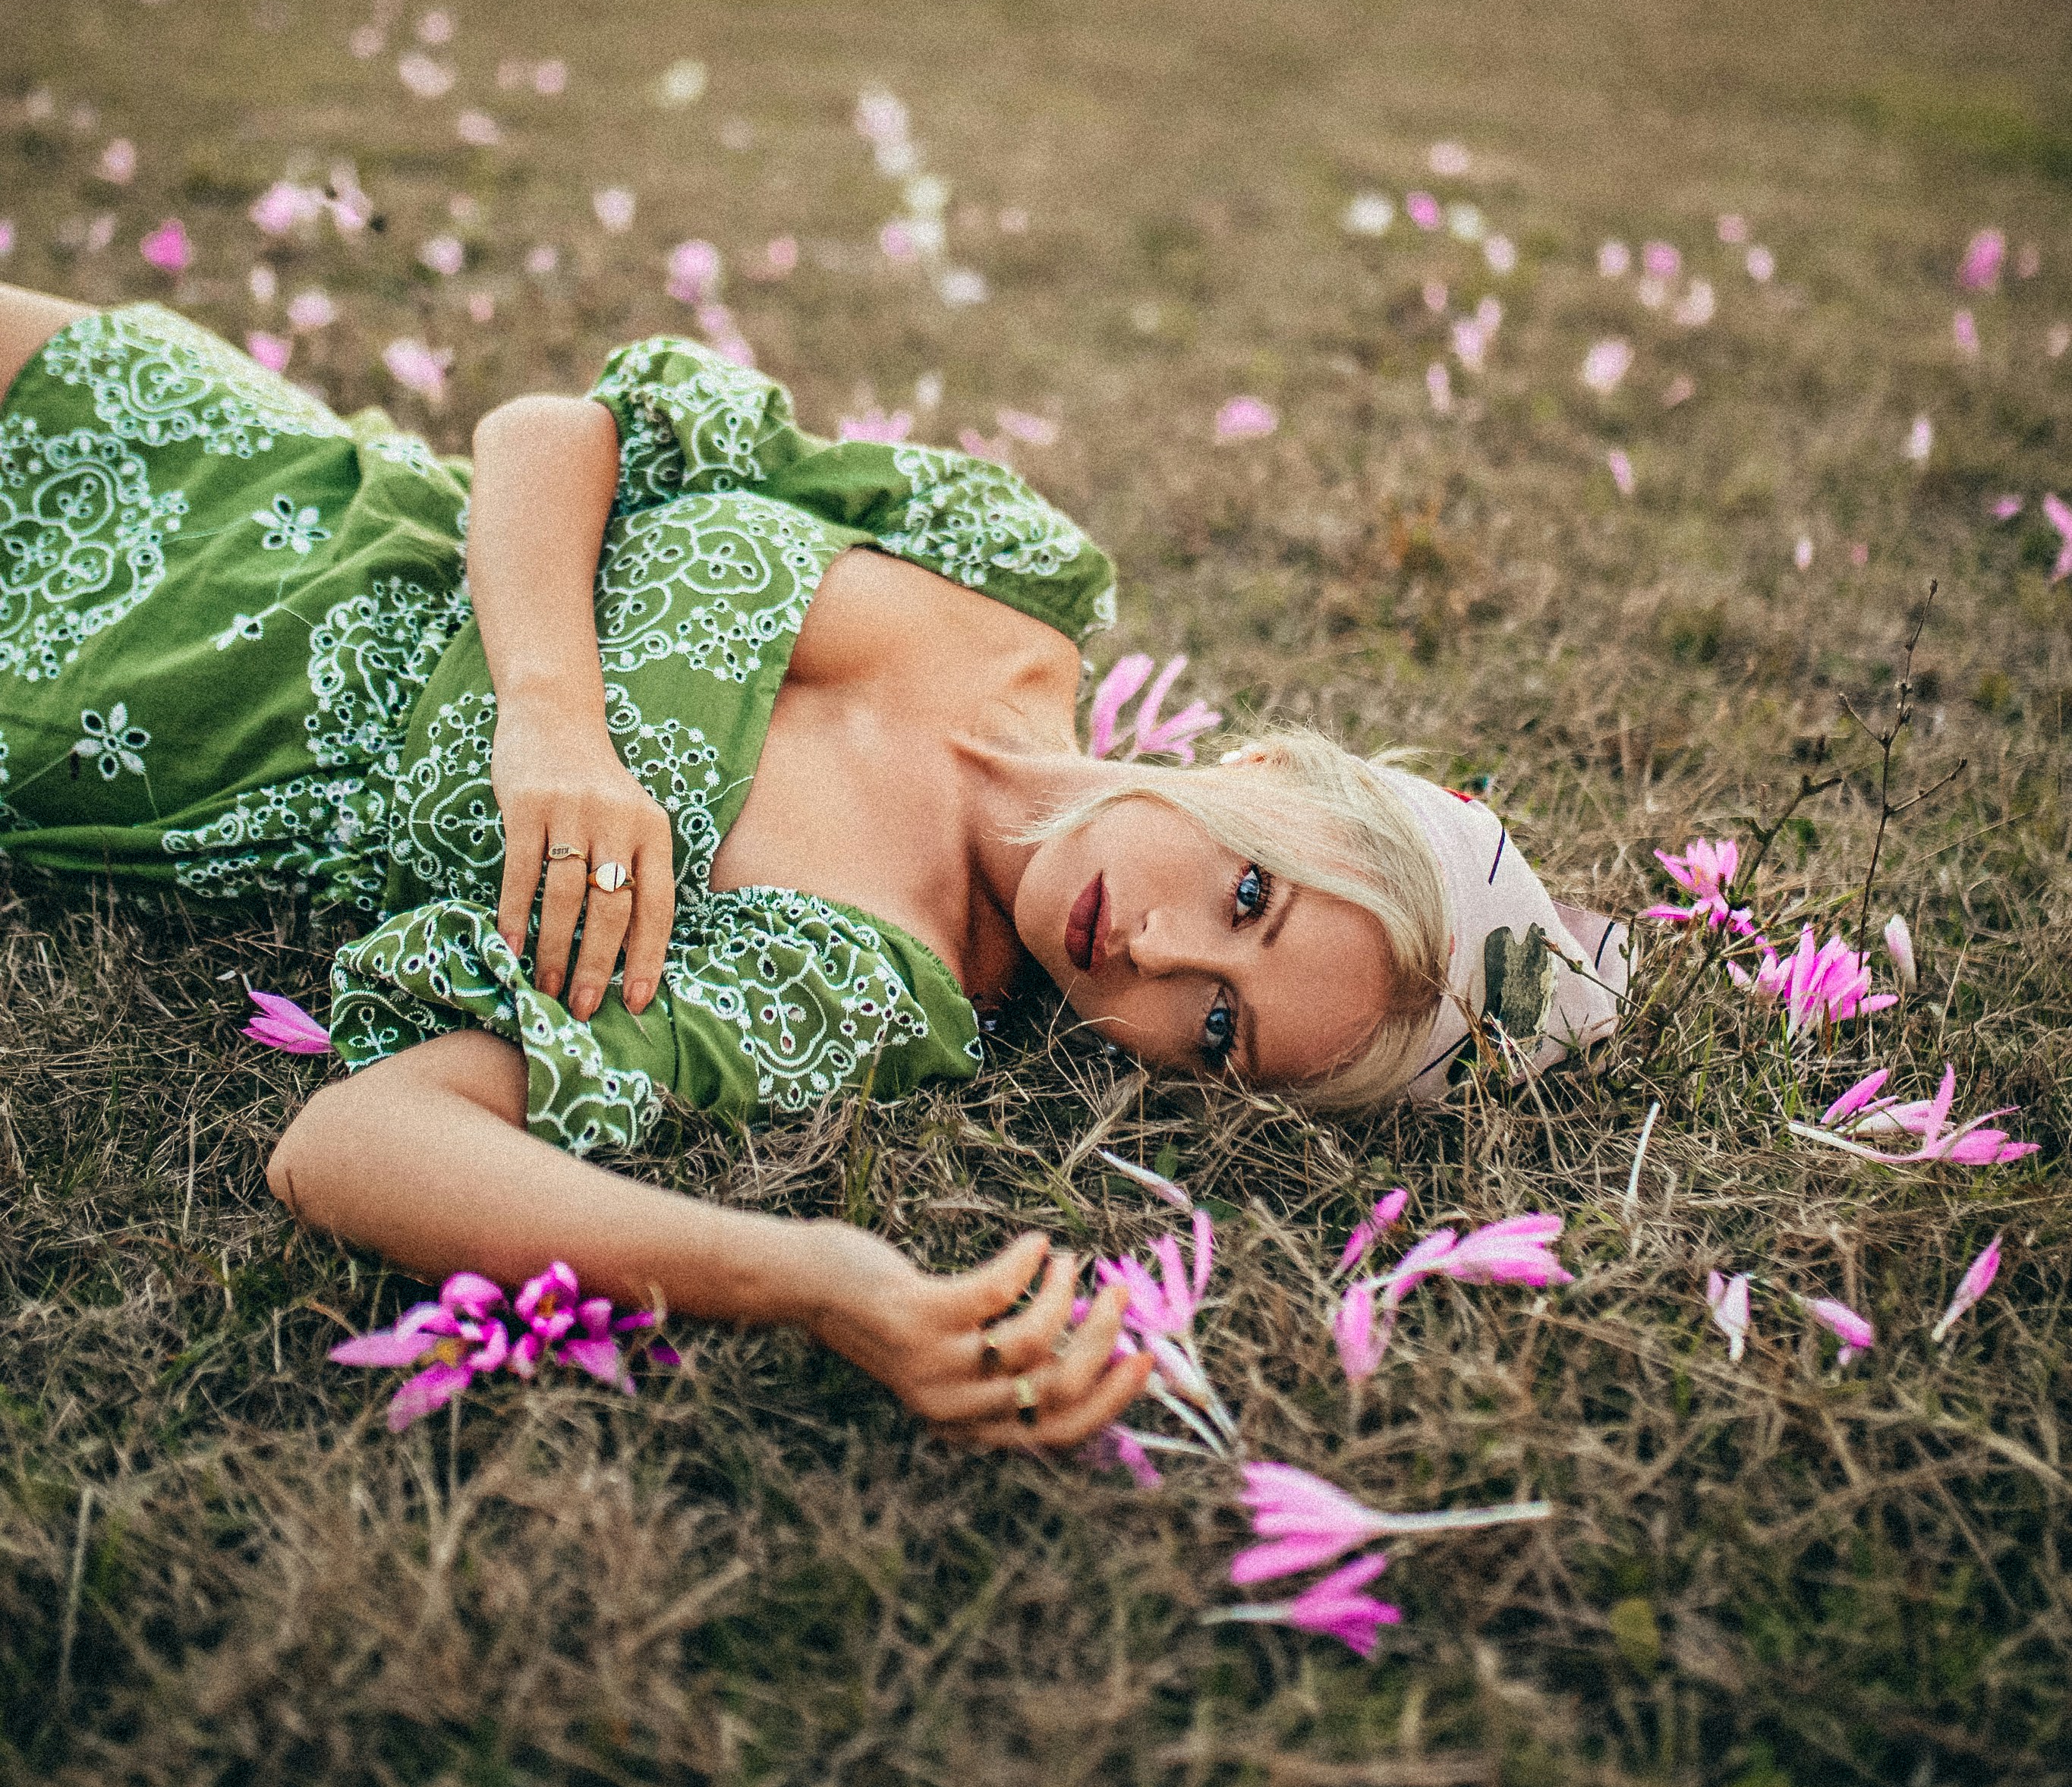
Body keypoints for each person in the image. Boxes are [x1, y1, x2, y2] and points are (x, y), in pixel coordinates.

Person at [0, 288, 1625, 1450]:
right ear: (1260, 773)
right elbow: (554, 432)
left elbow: (351, 1142)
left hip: (123, 699)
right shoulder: (1012, 571)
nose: (1153, 952)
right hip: (210, 442)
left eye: (1216, 1027)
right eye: (1249, 895)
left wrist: (814, 1279)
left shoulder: (859, 980)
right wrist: (554, 716)